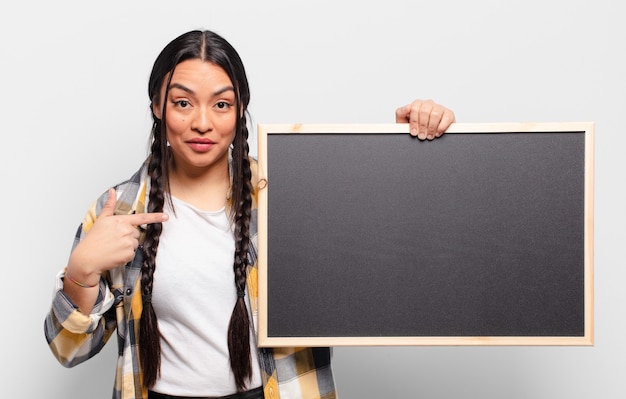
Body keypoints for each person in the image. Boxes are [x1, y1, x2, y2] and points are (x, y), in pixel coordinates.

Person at [44, 29, 456, 399]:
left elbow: (385, 254)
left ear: (241, 108)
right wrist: (81, 270)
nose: (202, 122)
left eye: (221, 104)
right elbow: (70, 350)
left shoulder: (292, 194)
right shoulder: (119, 208)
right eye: (183, 102)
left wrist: (410, 147)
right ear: (157, 106)